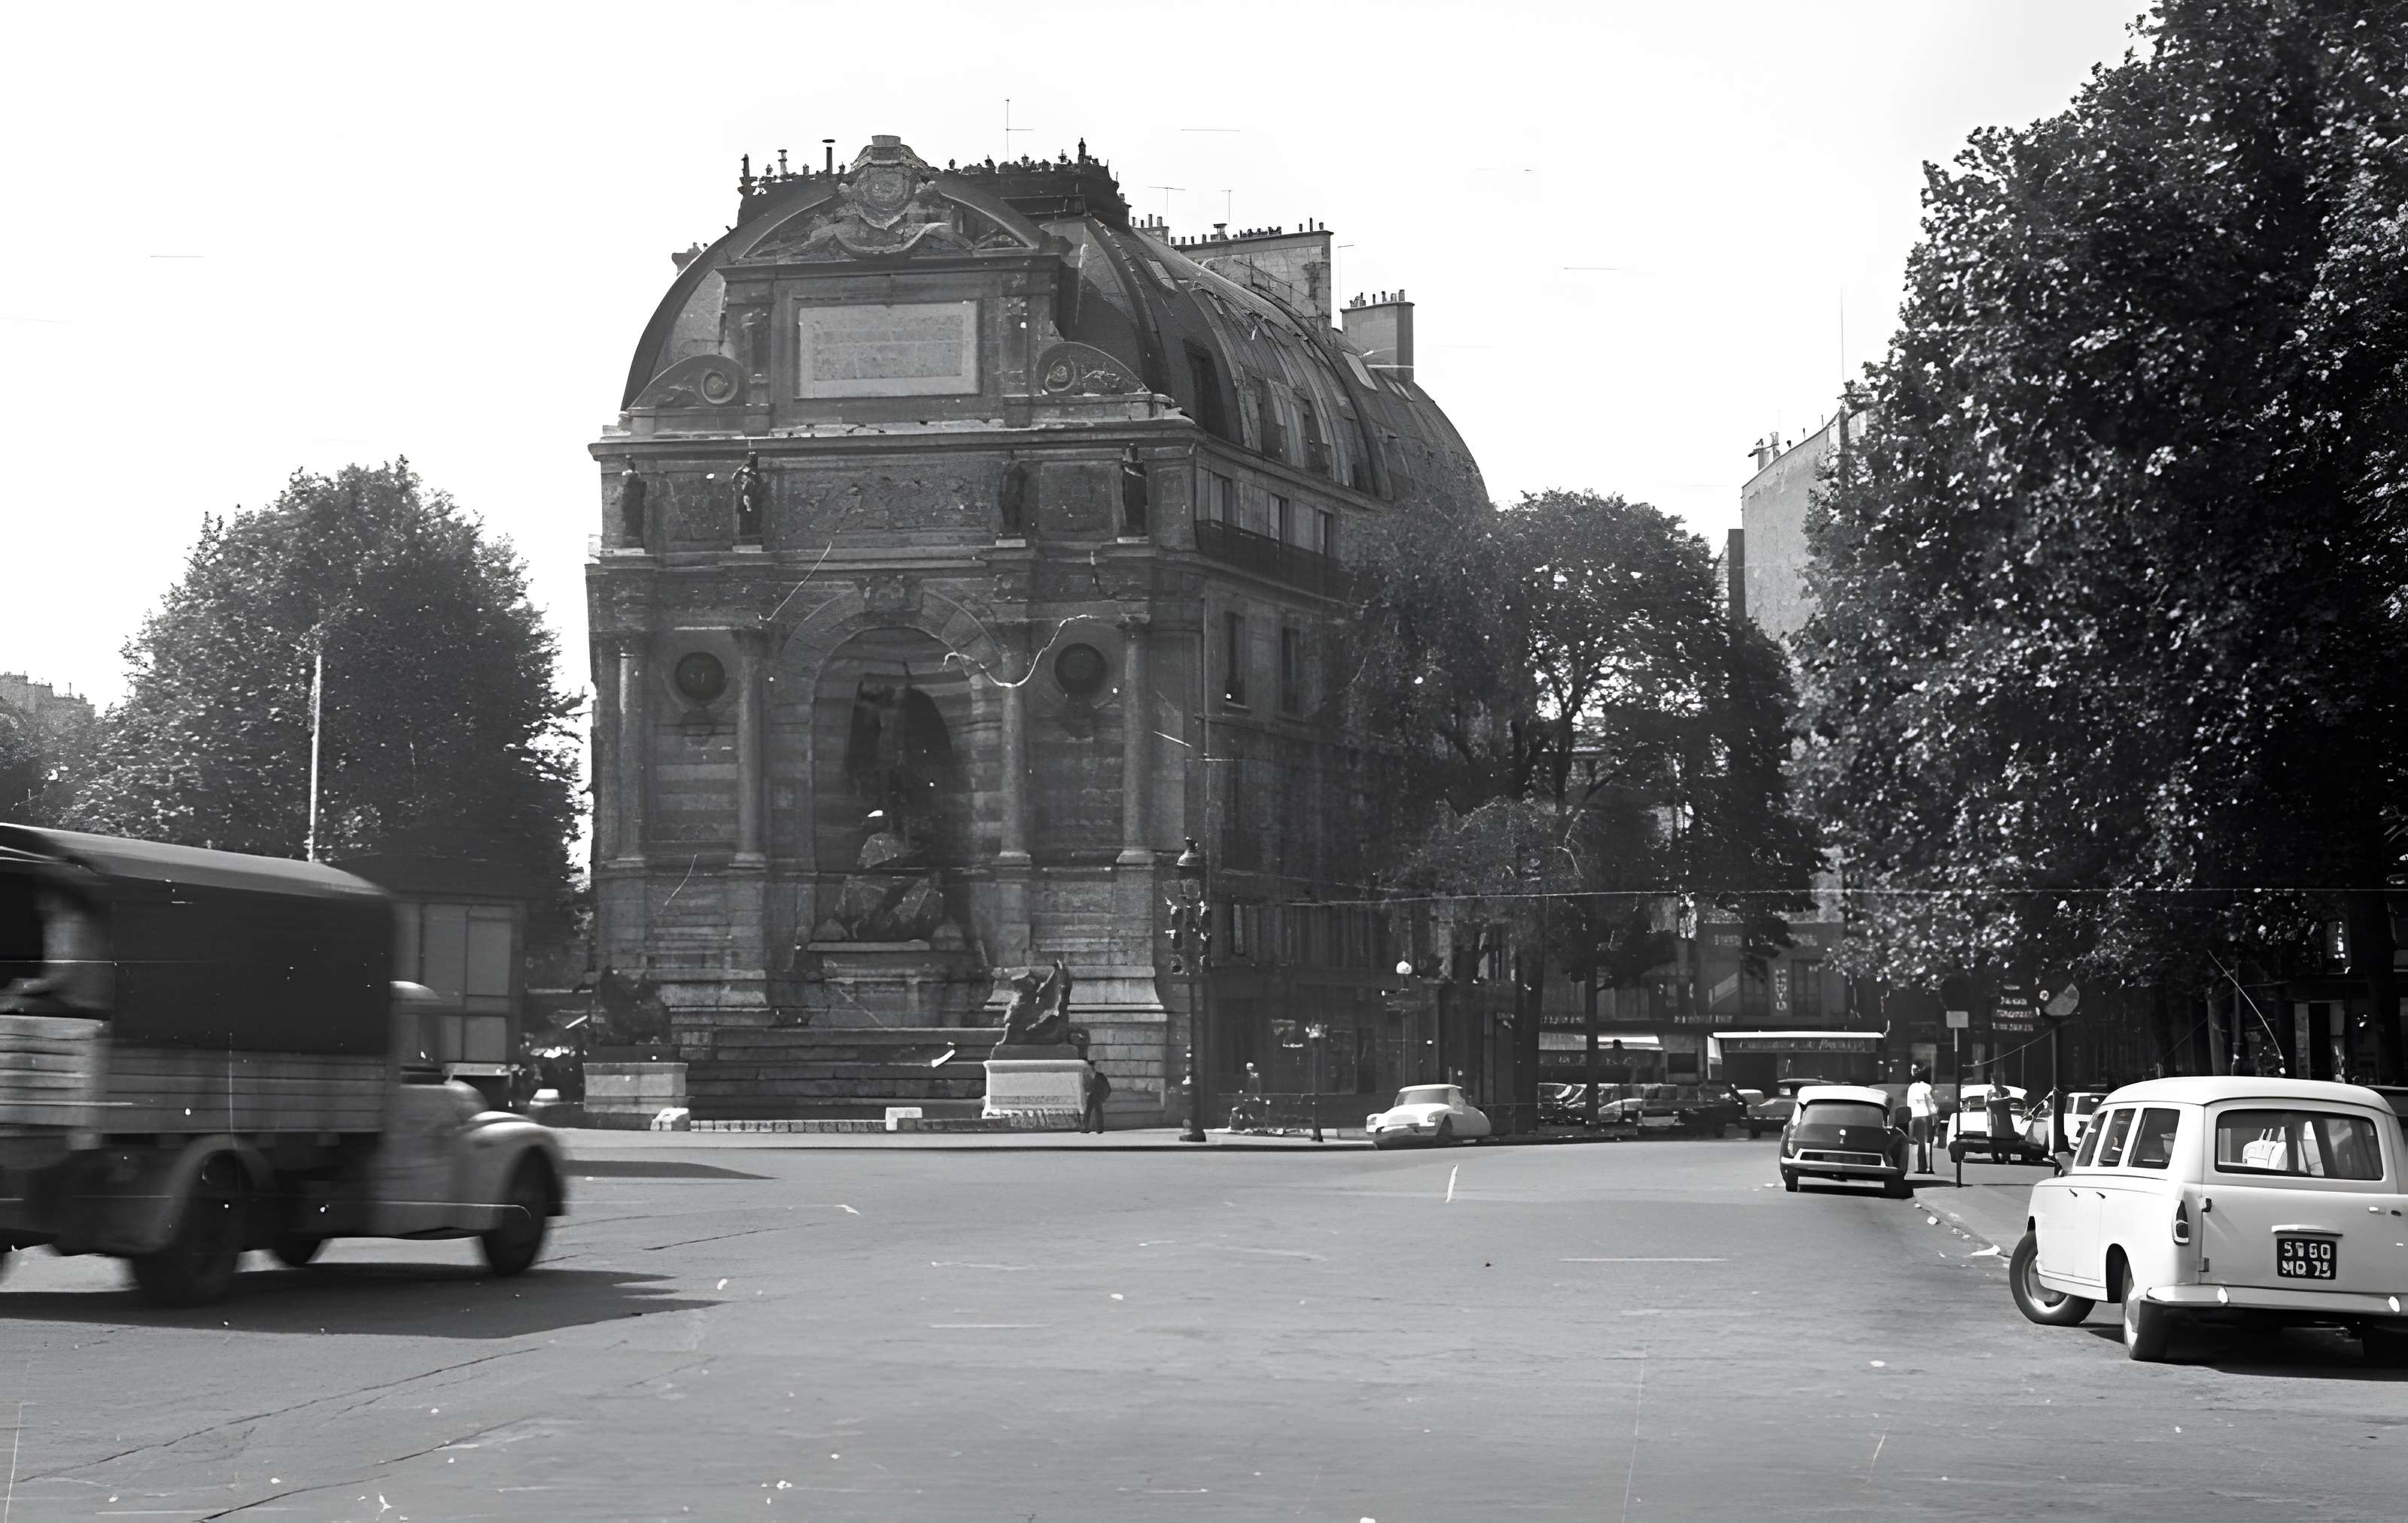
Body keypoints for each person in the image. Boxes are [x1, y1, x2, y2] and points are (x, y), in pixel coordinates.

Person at [1906, 1065, 1936, 1175]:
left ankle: (1919, 1167)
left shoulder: (1911, 1088)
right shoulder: (1927, 1087)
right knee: (1927, 1142)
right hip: (1925, 1115)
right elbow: (1930, 1102)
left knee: (1917, 1143)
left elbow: (1909, 1104)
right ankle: (1928, 1167)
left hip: (1914, 1116)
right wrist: (1935, 1116)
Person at [1083, 1058, 1111, 1133]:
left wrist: (1103, 1098)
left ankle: (1099, 1129)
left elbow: (1107, 1088)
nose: (1088, 1069)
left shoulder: (1100, 1076)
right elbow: (1085, 1087)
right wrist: (1087, 1093)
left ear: (1092, 1068)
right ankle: (1085, 1128)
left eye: (1089, 1067)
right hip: (1091, 1097)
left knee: (1098, 1113)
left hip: (1098, 1097)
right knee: (1087, 1112)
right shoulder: (1086, 1077)